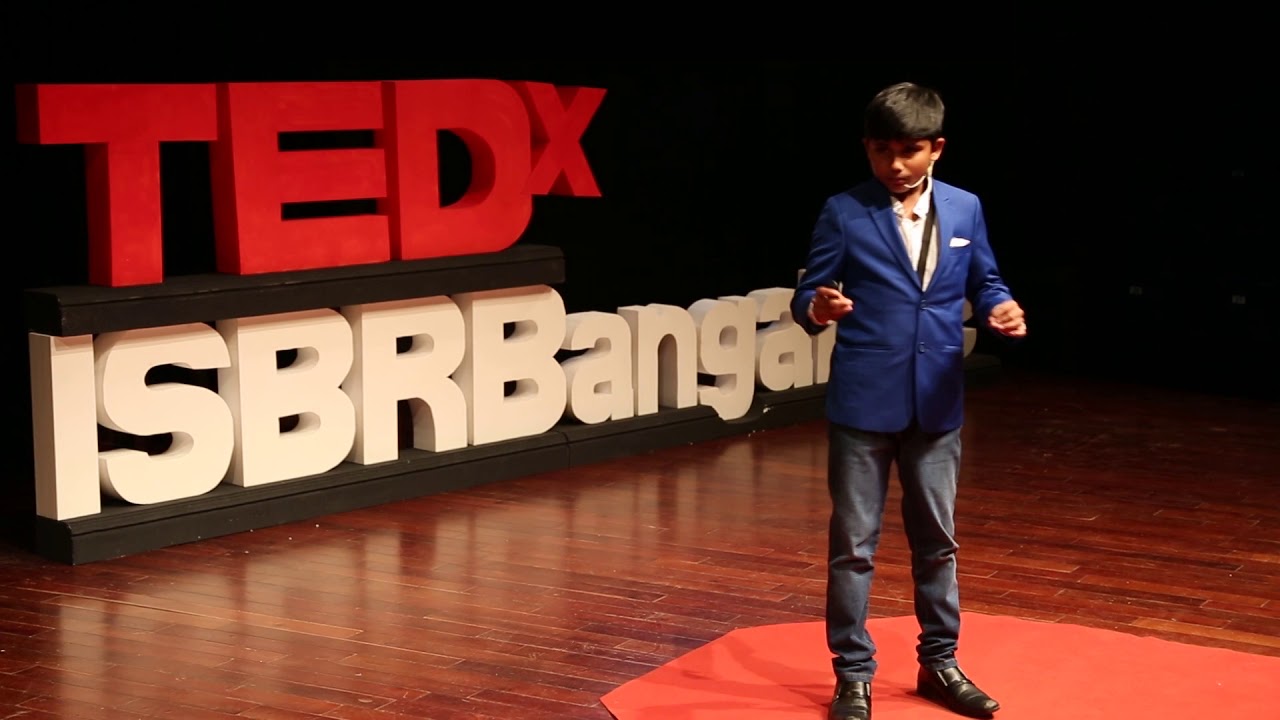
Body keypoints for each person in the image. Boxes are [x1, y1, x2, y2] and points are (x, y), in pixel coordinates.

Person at [790, 81, 1027, 720]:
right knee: (853, 547)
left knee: (938, 544)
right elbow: (809, 291)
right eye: (880, 151)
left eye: (908, 151)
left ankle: (940, 664)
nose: (894, 164)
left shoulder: (966, 208)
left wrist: (1000, 304)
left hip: (937, 402)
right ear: (866, 148)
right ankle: (853, 676)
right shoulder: (845, 210)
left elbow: (986, 278)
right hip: (863, 404)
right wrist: (816, 306)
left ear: (936, 148)